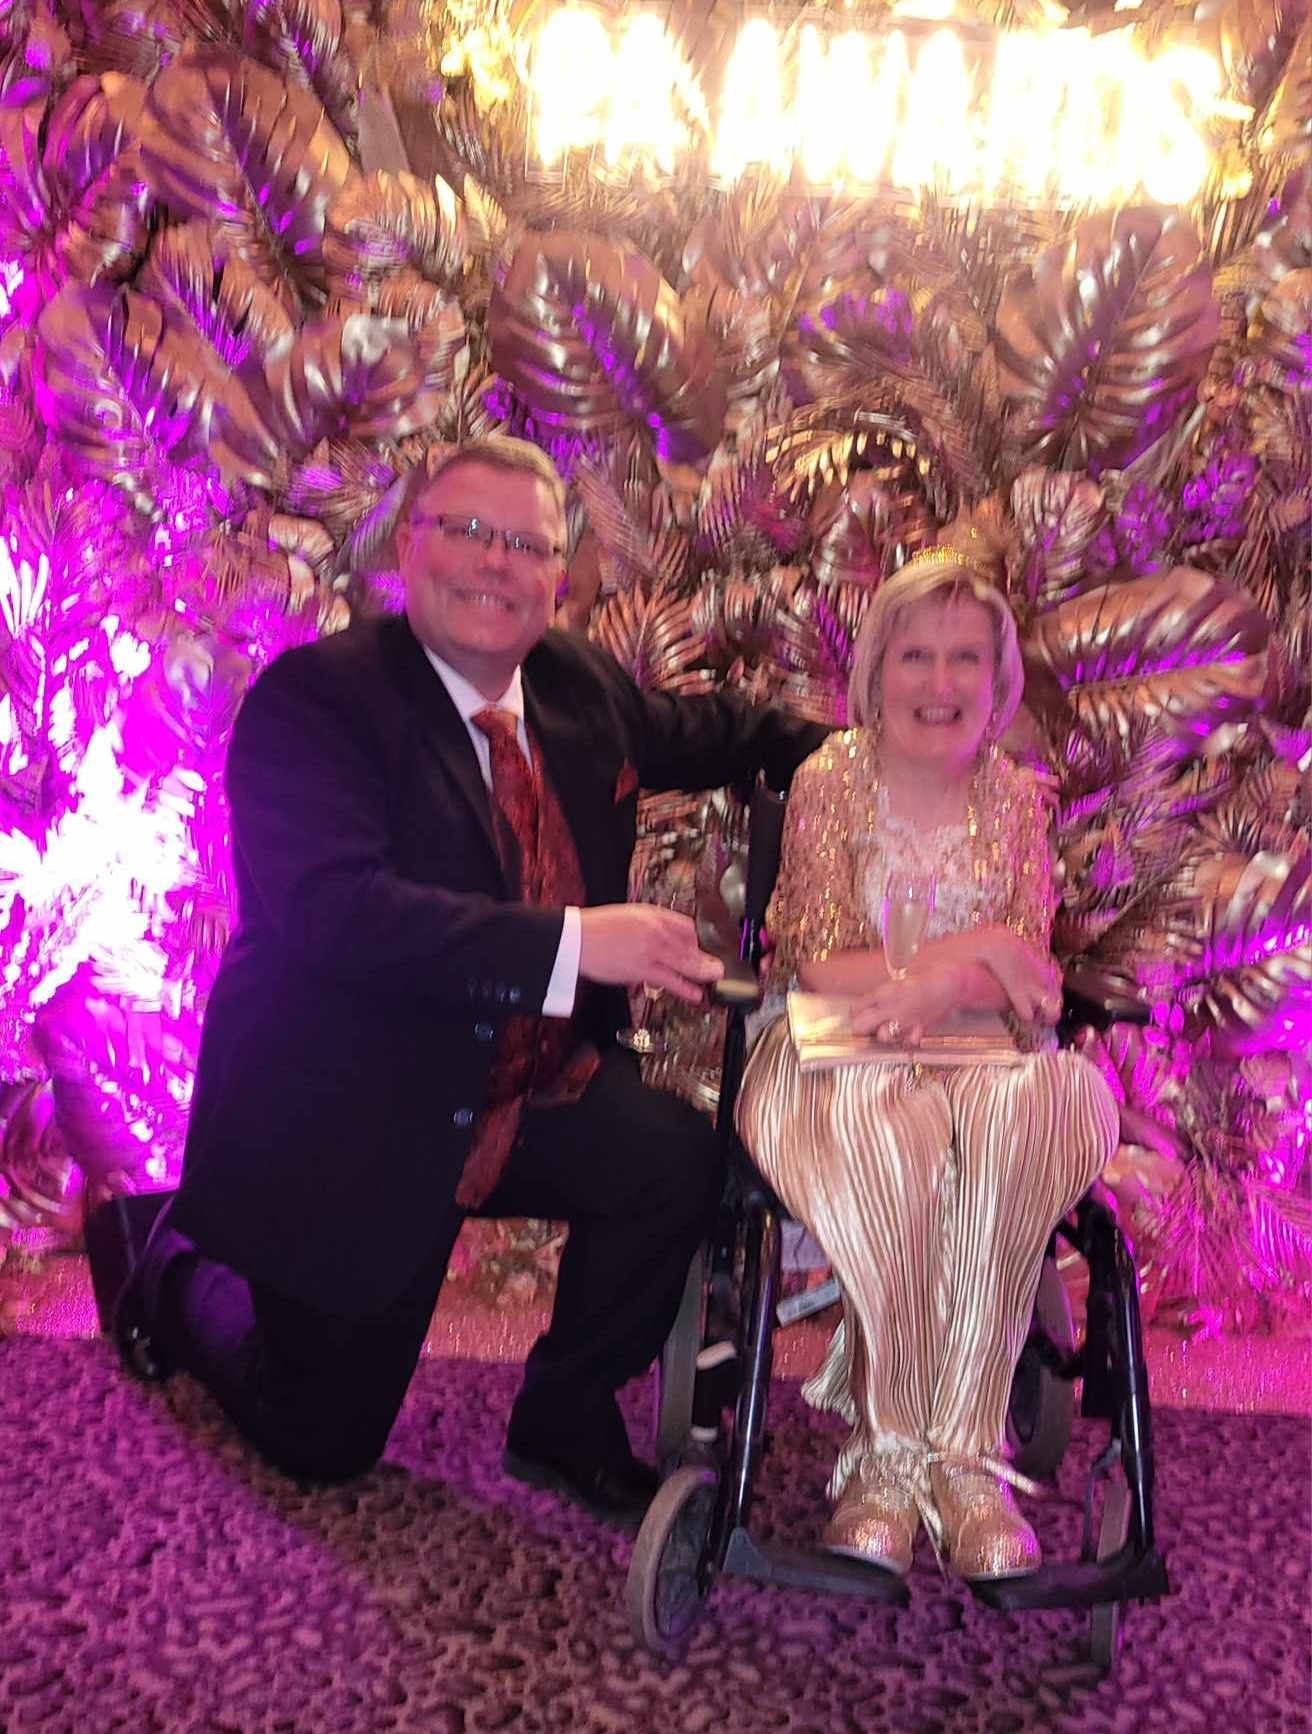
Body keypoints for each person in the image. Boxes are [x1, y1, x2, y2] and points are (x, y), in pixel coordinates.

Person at [108, 436, 825, 1523]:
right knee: (320, 1439)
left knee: (670, 1159)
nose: (497, 563)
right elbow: (338, 916)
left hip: (526, 1088)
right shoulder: (315, 701)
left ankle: (564, 1415)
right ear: (409, 545)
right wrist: (579, 943)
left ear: (558, 575)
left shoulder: (575, 682)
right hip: (355, 1110)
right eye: (469, 533)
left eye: (526, 544)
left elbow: (714, 733)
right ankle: (158, 1258)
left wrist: (890, 748)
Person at [736, 550, 1119, 1581]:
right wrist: (973, 956)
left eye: (964, 659)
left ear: (996, 681)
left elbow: (1030, 985)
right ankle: (886, 1460)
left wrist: (951, 979)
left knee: (1046, 1101)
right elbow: (819, 962)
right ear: (875, 670)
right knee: (890, 1127)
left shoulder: (1014, 800)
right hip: (832, 1051)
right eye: (915, 656)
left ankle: (963, 1461)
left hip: (977, 1058)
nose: (938, 684)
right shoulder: (833, 778)